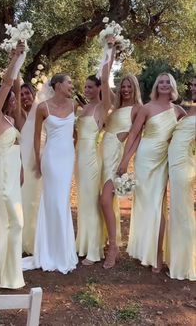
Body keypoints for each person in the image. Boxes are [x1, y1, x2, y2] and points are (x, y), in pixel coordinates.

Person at [118, 73, 186, 273]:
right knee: (146, 206)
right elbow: (134, 135)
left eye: (168, 82)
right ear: (157, 86)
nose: (164, 85)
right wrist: (124, 161)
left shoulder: (179, 111)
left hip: (163, 161)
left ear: (172, 86)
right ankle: (143, 250)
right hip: (145, 160)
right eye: (161, 82)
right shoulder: (147, 108)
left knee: (158, 206)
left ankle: (157, 254)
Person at [23, 73, 78, 274]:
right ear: (58, 85)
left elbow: (75, 133)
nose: (72, 85)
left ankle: (63, 250)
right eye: (69, 82)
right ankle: (51, 251)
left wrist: (73, 149)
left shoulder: (74, 105)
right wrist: (38, 162)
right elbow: (37, 138)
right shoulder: (42, 108)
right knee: (53, 201)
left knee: (62, 201)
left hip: (67, 157)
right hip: (51, 158)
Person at [0, 42, 25, 288]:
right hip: (0, 175)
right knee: (14, 221)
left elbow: (16, 86)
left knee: (1, 219)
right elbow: (9, 83)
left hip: (11, 175)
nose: (12, 101)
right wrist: (16, 57)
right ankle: (10, 275)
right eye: (8, 98)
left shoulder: (9, 118)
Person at [100, 74, 142, 269]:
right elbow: (105, 77)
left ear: (135, 88)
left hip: (116, 156)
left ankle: (114, 248)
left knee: (105, 200)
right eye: (123, 87)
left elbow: (136, 137)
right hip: (102, 154)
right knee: (101, 201)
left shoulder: (138, 109)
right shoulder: (115, 108)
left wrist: (125, 161)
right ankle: (104, 241)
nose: (125, 90)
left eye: (129, 87)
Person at [75, 57, 112, 265]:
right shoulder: (84, 108)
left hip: (91, 157)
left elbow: (106, 81)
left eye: (90, 87)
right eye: (85, 87)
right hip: (79, 157)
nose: (87, 90)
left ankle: (94, 250)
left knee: (91, 202)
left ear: (99, 88)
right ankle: (82, 244)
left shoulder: (101, 107)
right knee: (82, 201)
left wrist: (108, 52)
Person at [167, 75, 196, 280]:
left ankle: (186, 264)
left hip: (184, 166)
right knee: (177, 210)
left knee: (183, 211)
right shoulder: (188, 110)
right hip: (174, 165)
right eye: (192, 84)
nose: (193, 87)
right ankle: (177, 259)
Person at [13, 79, 44, 255]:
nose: (25, 97)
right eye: (22, 94)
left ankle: (38, 240)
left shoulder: (42, 112)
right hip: (24, 164)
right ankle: (24, 240)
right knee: (25, 200)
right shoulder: (19, 115)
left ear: (34, 94)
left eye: (27, 93)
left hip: (39, 164)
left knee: (38, 201)